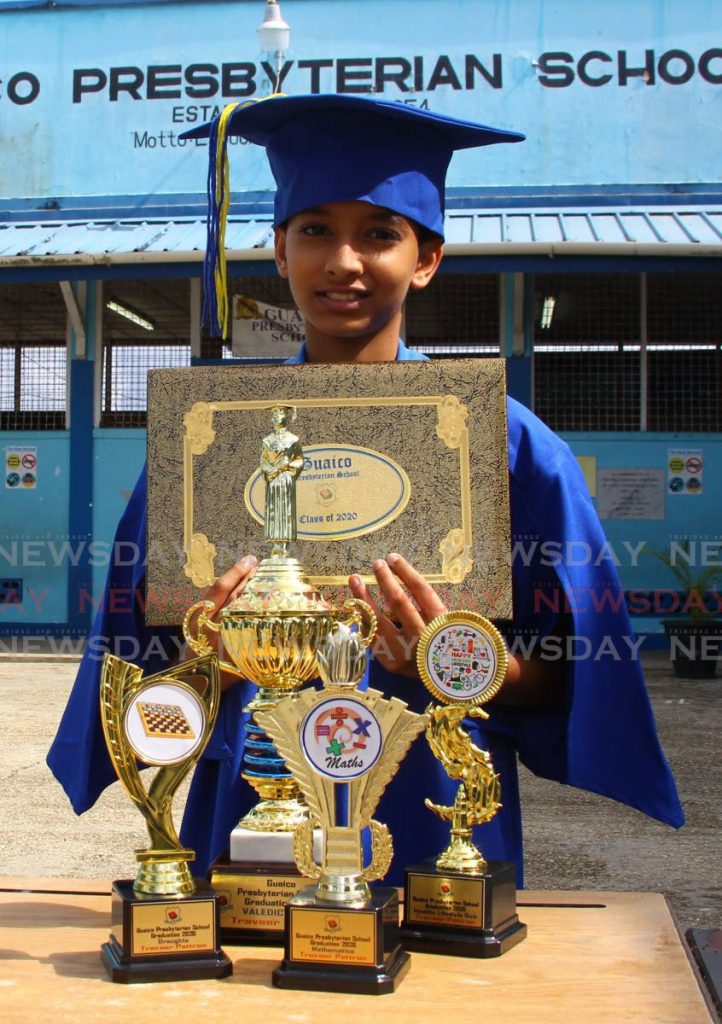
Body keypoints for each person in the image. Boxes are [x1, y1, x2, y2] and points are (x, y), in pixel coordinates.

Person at [48, 94, 683, 885]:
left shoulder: (508, 446)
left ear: (426, 259)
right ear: (278, 249)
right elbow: (138, 665)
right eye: (314, 230)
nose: (342, 262)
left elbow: (573, 671)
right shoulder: (205, 440)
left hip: (433, 808)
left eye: (379, 234)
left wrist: (447, 658)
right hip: (250, 805)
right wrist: (211, 656)